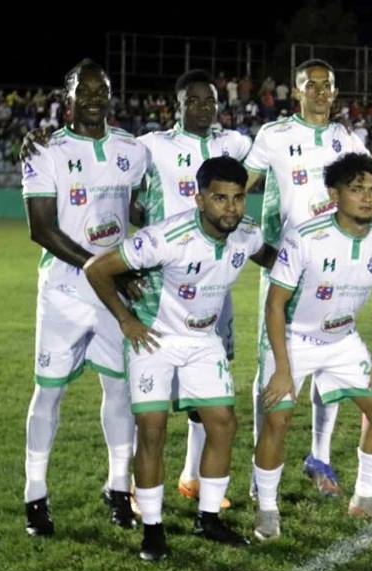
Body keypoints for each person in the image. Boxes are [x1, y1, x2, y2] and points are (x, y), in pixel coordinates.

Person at [86, 157, 274, 560]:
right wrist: (125, 319)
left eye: (238, 198)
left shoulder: (247, 235)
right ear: (199, 197)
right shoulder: (166, 237)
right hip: (154, 338)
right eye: (220, 198)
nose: (231, 208)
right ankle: (152, 529)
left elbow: (270, 256)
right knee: (152, 431)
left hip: (203, 340)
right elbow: (97, 268)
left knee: (222, 424)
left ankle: (208, 518)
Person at [20, 59, 149, 536]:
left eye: (104, 90)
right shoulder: (43, 150)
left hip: (110, 295)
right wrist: (101, 269)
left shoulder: (131, 149)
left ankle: (119, 489)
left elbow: (138, 207)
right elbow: (41, 228)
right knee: (48, 391)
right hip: (64, 293)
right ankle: (35, 495)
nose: (96, 98)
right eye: (86, 90)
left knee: (119, 389)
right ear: (69, 97)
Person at [252, 153, 372, 540]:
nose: (368, 198)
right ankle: (267, 509)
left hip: (343, 340)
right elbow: (275, 303)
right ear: (334, 194)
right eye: (356, 190)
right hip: (293, 340)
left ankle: (363, 498)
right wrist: (282, 368)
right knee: (277, 418)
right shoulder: (304, 238)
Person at [243, 59, 370, 497]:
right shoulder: (274, 136)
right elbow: (239, 187)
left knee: (329, 371)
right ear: (296, 92)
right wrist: (258, 246)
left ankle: (320, 458)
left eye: (327, 85)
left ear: (335, 92)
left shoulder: (346, 138)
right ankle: (262, 474)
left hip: (336, 276)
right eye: (310, 85)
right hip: (287, 275)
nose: (320, 92)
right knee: (273, 373)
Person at [134, 69, 253, 509]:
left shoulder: (235, 145)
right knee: (152, 394)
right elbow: (121, 187)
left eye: (211, 99)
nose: (203, 106)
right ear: (177, 103)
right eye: (194, 100)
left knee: (208, 386)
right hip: (162, 286)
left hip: (212, 286)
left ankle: (191, 476)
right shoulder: (152, 145)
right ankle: (135, 487)